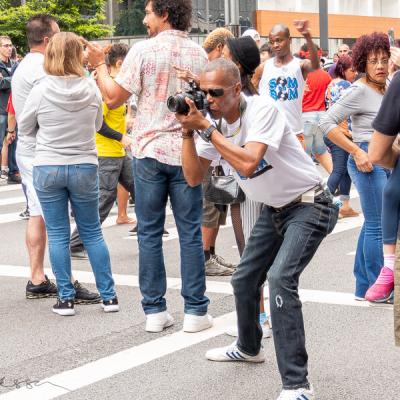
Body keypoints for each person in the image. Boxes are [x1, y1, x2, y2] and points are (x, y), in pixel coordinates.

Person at [176, 58, 337, 400]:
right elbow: (192, 177)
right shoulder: (213, 124)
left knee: (281, 279)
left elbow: (249, 163)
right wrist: (189, 133)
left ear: (236, 89)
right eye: (203, 93)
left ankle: (298, 385)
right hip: (274, 209)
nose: (208, 100)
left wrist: (205, 128)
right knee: (244, 278)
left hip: (310, 204)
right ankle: (249, 347)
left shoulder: (262, 110)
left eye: (215, 92)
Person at [84, 0, 212, 333]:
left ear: (164, 14)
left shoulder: (143, 51)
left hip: (149, 150)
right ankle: (196, 311)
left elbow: (112, 98)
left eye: (148, 12)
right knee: (190, 233)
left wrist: (99, 66)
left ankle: (155, 310)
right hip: (187, 151)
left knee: (150, 233)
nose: (144, 19)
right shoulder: (199, 54)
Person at [18, 32, 119, 316]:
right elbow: (97, 123)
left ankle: (65, 298)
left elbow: (25, 128)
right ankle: (109, 297)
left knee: (59, 234)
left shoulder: (41, 89)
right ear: (78, 56)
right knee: (92, 232)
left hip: (48, 164)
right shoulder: (90, 88)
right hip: (84, 164)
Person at [12, 14, 99, 303]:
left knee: (40, 214)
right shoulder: (42, 70)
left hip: (35, 149)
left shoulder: (25, 64)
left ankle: (39, 277)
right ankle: (64, 281)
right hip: (46, 151)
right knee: (53, 221)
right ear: (48, 40)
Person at [319, 32, 390, 300]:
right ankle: (376, 286)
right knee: (378, 225)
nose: (380, 66)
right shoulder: (359, 89)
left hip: (386, 159)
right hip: (366, 159)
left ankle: (363, 285)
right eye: (373, 61)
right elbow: (326, 122)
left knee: (374, 222)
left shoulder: (388, 85)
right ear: (363, 63)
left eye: (384, 60)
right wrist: (355, 152)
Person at [69, 43, 136, 259]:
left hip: (119, 152)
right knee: (104, 200)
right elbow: (98, 124)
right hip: (107, 152)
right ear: (119, 63)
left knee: (142, 188)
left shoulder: (116, 86)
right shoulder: (106, 88)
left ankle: (148, 229)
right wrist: (122, 137)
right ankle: (77, 243)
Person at [258, 21, 320, 146]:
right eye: (272, 42)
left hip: (294, 133)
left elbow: (315, 65)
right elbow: (252, 94)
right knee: (270, 166)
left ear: (289, 40)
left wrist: (307, 36)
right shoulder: (263, 67)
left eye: (279, 40)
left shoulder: (299, 65)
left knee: (300, 166)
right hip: (268, 134)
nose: (275, 45)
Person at [324, 55, 359, 218]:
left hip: (331, 131)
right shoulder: (345, 85)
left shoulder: (331, 84)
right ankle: (322, 205)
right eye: (352, 70)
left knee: (344, 170)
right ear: (343, 70)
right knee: (339, 170)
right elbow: (346, 112)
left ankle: (345, 206)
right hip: (340, 133)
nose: (355, 73)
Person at [301, 47, 333, 172]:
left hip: (306, 116)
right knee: (321, 152)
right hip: (321, 116)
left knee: (303, 156)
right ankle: (336, 182)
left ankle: (309, 185)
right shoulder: (326, 76)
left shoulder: (302, 75)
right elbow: (329, 96)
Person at [0, 35, 20, 184]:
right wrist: (16, 79)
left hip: (14, 108)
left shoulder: (14, 64)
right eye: (5, 45)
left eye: (10, 45)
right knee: (2, 142)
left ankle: (14, 171)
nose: (9, 48)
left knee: (14, 140)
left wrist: (7, 80)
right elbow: (1, 83)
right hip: (1, 109)